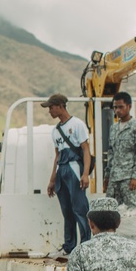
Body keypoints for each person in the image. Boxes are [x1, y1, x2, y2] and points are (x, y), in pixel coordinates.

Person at [43, 92, 91, 258]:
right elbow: (57, 156)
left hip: (74, 169)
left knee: (80, 209)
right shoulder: (55, 131)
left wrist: (85, 174)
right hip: (61, 170)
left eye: (51, 107)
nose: (49, 111)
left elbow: (86, 149)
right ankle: (69, 246)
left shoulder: (77, 124)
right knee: (67, 211)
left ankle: (85, 247)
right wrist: (52, 180)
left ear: (60, 106)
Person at [104, 92, 136, 210]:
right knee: (112, 213)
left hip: (129, 180)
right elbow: (111, 153)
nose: (117, 110)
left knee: (131, 213)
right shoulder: (114, 128)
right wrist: (107, 176)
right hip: (114, 180)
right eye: (115, 107)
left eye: (121, 107)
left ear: (129, 107)